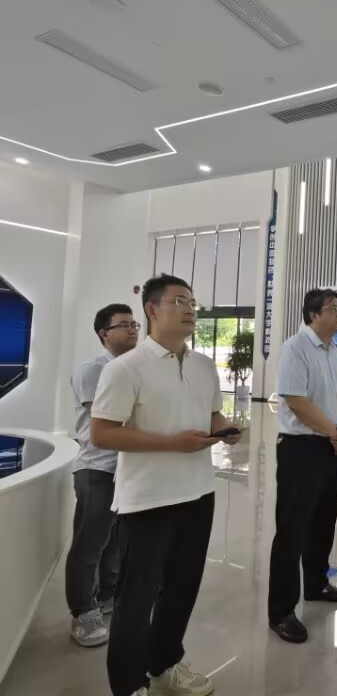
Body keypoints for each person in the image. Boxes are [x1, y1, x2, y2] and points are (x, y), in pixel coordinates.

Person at [91, 275, 241, 696]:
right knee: (136, 598)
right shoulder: (126, 368)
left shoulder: (203, 365)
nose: (190, 308)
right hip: (148, 500)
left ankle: (165, 664)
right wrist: (172, 444)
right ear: (152, 309)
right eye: (179, 301)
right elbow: (102, 432)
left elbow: (211, 416)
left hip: (198, 492)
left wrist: (225, 429)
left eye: (193, 302)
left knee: (182, 589)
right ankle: (128, 685)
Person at [268, 288, 337, 645]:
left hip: (331, 446)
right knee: (293, 529)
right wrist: (335, 431)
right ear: (313, 315)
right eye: (334, 308)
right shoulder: (296, 348)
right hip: (301, 448)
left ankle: (317, 583)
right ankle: (281, 611)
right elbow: (296, 400)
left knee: (323, 520)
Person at [65, 304, 140, 647]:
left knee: (114, 540)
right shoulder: (92, 369)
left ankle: (107, 594)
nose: (133, 329)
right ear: (103, 334)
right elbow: (109, 419)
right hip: (97, 466)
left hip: (127, 468)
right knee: (90, 543)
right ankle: (83, 612)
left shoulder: (133, 368)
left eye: (134, 324)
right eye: (124, 325)